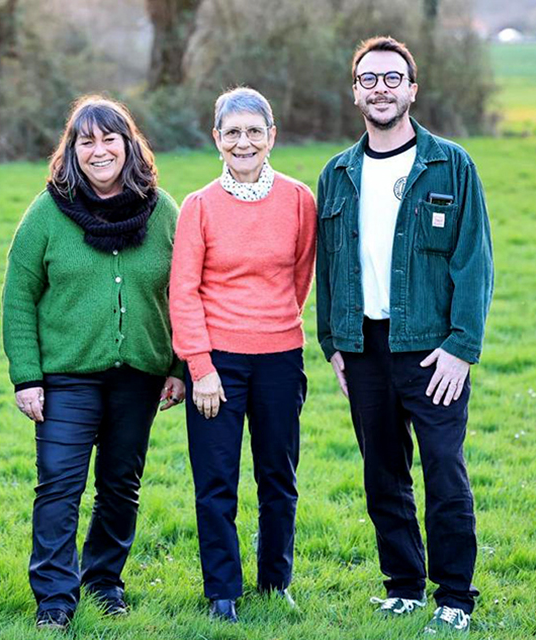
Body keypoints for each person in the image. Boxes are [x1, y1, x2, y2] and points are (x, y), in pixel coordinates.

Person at [315, 36, 493, 634]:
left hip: (432, 347)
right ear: (355, 92)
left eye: (393, 78)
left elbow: (474, 262)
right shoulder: (337, 174)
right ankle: (404, 587)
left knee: (445, 472)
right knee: (382, 471)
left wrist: (462, 347)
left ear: (412, 90)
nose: (381, 88)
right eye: (369, 78)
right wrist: (333, 345)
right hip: (363, 348)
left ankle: (455, 597)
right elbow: (329, 266)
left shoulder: (451, 164)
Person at [2, 95, 185, 630]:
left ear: (129, 145)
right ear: (73, 149)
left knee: (120, 483)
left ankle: (104, 580)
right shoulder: (48, 211)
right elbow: (18, 296)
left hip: (141, 375)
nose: (99, 149)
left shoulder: (163, 210)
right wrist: (27, 377)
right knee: (59, 483)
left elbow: (185, 292)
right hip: (65, 376)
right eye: (87, 140)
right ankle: (55, 596)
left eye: (110, 138)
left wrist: (177, 367)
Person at [169, 87, 316, 622]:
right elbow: (183, 291)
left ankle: (276, 582)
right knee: (216, 480)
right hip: (217, 362)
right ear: (216, 139)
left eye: (255, 131)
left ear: (271, 136)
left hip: (280, 356)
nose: (244, 141)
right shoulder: (199, 206)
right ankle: (223, 591)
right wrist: (201, 367)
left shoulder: (299, 199)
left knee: (278, 477)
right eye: (233, 132)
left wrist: (274, 324)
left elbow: (300, 276)